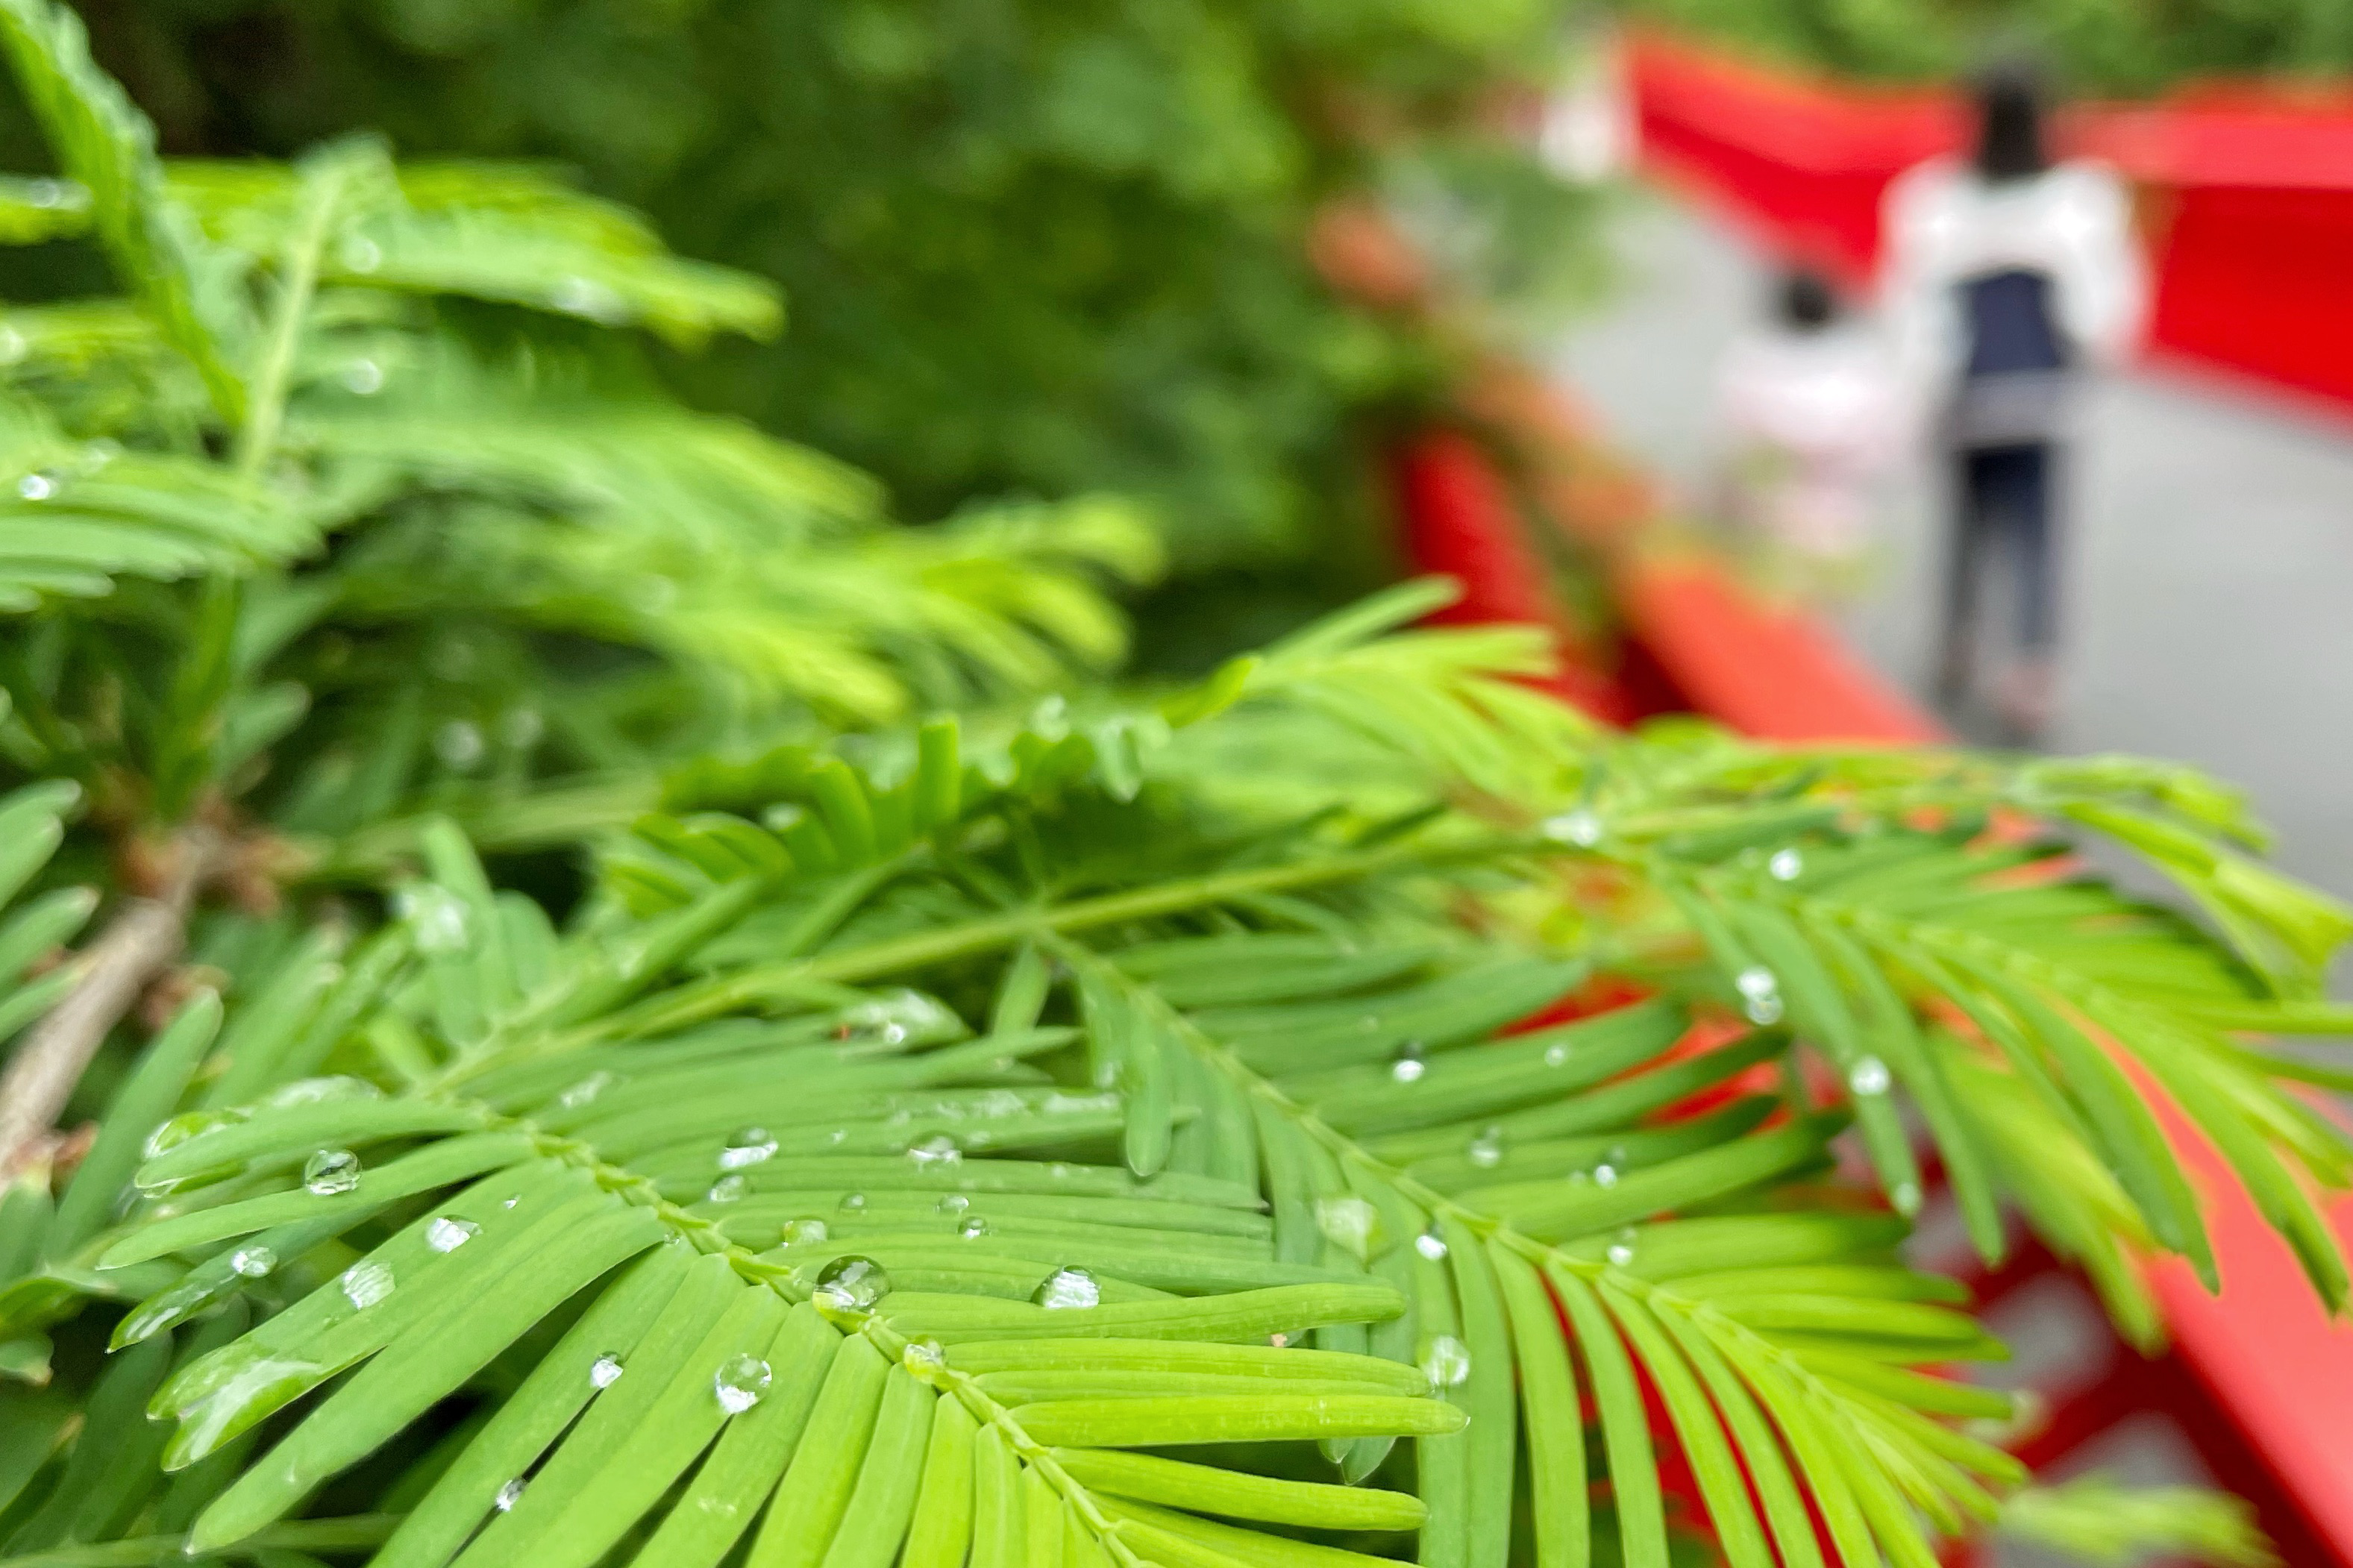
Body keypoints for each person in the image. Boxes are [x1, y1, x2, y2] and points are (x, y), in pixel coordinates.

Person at [1880, 60, 2147, 739]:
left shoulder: (1936, 200)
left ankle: (1960, 641)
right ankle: (2032, 661)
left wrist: (1921, 381)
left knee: (1967, 525)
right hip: (2044, 396)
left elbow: (1910, 301)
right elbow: (2106, 305)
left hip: (1967, 394)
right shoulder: (2081, 200)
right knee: (2039, 530)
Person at [1714, 266, 1902, 603]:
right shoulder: (1860, 372)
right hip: (1839, 514)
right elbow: (1885, 448)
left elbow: (1735, 448)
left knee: (1771, 619)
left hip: (1768, 517)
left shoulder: (1753, 366)